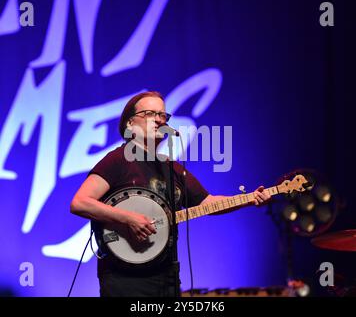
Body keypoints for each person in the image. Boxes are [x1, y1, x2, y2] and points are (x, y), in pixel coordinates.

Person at [70, 91, 271, 297]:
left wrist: (249, 199)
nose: (159, 120)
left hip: (166, 275)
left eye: (163, 115)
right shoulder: (117, 160)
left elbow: (208, 203)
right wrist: (129, 218)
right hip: (124, 279)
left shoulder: (171, 167)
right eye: (150, 113)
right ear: (130, 124)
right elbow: (80, 202)